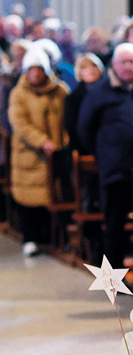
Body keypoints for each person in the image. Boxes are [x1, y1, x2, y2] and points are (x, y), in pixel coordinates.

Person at [77, 43, 133, 267]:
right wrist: (103, 152)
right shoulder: (99, 92)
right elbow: (85, 128)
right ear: (113, 64)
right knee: (114, 224)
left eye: (132, 61)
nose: (128, 66)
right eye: (123, 62)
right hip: (115, 167)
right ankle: (113, 277)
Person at [9, 48, 69, 256]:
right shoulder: (19, 94)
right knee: (29, 198)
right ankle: (30, 237)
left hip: (56, 153)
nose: (35, 75)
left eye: (39, 70)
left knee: (53, 194)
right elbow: (19, 123)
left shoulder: (60, 91)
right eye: (31, 70)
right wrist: (41, 141)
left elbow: (67, 117)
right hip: (30, 154)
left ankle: (53, 238)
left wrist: (64, 140)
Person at [64, 53, 105, 154]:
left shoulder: (110, 94)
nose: (90, 70)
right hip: (82, 149)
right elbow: (72, 127)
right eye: (85, 67)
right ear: (79, 72)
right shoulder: (73, 99)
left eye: (94, 65)